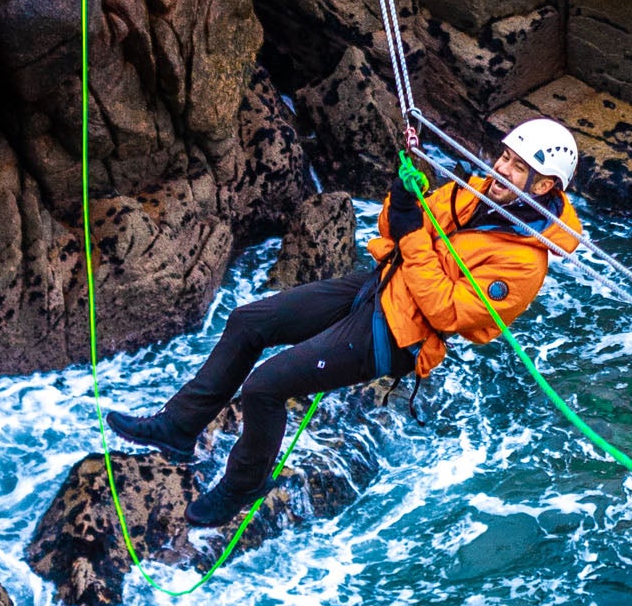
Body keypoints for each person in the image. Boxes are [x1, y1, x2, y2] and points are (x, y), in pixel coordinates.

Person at [105, 118, 584, 526]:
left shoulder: (524, 265)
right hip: (380, 286)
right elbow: (396, 230)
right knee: (248, 320)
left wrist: (412, 234)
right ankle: (179, 426)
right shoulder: (477, 192)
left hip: (398, 335)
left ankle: (242, 486)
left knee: (263, 387)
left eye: (518, 167)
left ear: (544, 187)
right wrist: (401, 203)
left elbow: (447, 310)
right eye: (504, 156)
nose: (501, 169)